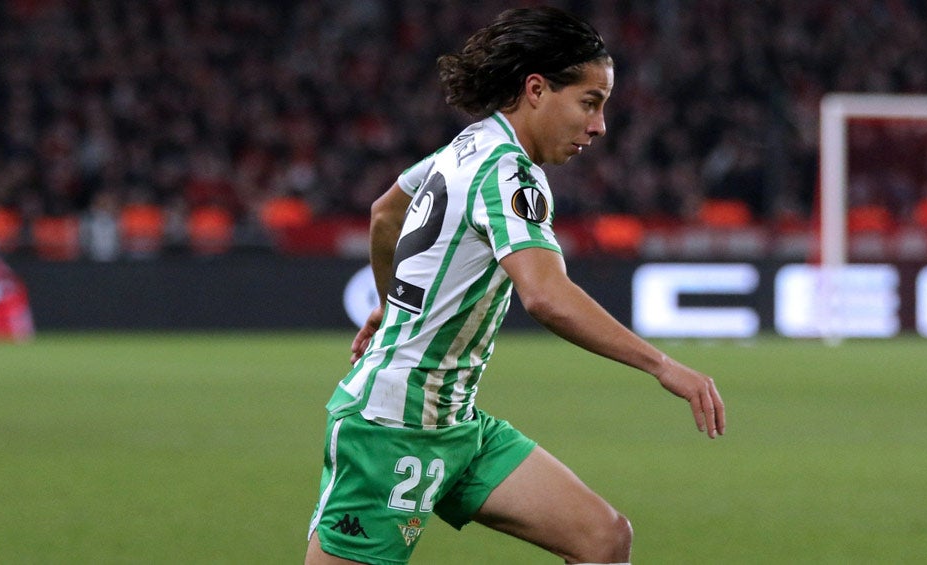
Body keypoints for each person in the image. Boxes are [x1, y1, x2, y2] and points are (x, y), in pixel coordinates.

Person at [305, 7, 725, 565]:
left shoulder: (470, 144)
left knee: (603, 539)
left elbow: (387, 212)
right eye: (589, 102)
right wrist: (662, 365)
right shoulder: (510, 173)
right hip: (392, 430)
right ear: (536, 90)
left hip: (456, 423)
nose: (599, 125)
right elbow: (547, 296)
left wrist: (393, 305)